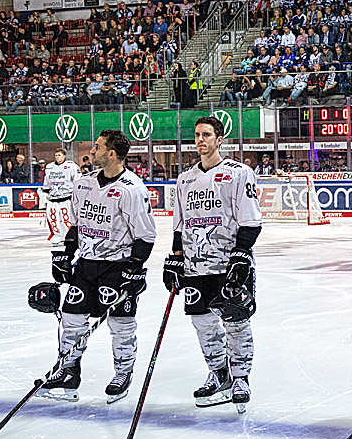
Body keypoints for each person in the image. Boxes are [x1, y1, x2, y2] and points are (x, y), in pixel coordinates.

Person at [39, 130, 158, 403]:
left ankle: (122, 372)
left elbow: (146, 235)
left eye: (97, 147)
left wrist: (136, 268)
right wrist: (65, 255)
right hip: (86, 264)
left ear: (112, 154)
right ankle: (68, 372)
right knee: (71, 320)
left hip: (116, 266)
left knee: (121, 325)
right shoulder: (83, 184)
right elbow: (78, 226)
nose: (92, 151)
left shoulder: (132, 189)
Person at [163, 116, 263, 412]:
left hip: (228, 264)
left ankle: (240, 376)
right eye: (196, 135)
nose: (200, 140)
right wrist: (175, 259)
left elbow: (251, 220)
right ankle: (219, 372)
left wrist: (242, 255)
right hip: (196, 267)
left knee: (236, 321)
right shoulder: (185, 179)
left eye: (207, 135)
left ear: (220, 139)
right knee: (203, 324)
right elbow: (179, 224)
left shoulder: (239, 173)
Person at [42, 148, 81, 248]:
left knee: (66, 218)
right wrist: (45, 191)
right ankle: (56, 236)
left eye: (59, 155)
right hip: (53, 197)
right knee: (52, 218)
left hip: (67, 197)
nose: (57, 157)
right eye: (56, 155)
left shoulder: (71, 166)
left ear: (64, 156)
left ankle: (68, 236)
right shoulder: (49, 167)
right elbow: (47, 181)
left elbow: (78, 180)